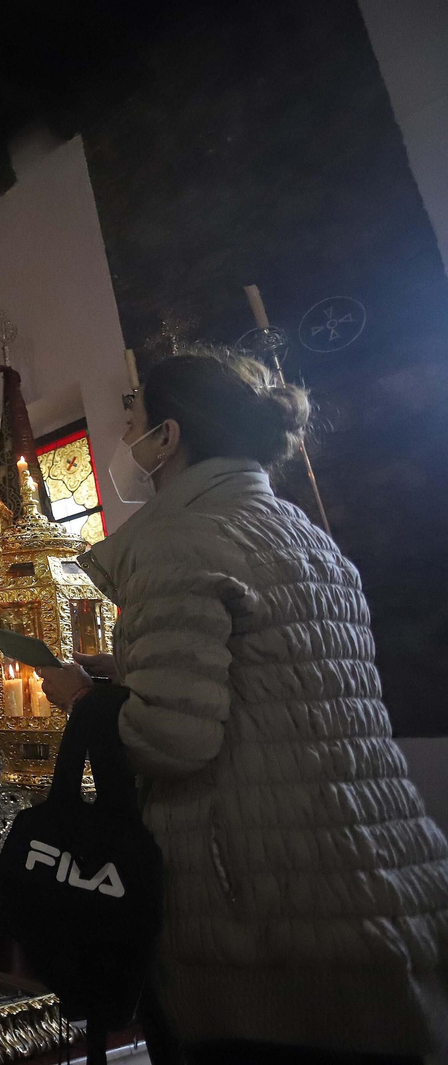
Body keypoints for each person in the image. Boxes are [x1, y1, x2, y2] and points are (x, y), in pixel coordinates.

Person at [39, 348, 448, 1063]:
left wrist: (83, 698)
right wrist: (134, 665)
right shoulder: (302, 532)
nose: (126, 434)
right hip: (377, 876)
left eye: (133, 416)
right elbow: (272, 683)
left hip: (265, 918)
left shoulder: (177, 536)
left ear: (167, 436)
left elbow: (171, 736)